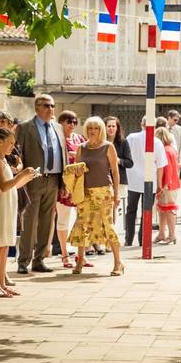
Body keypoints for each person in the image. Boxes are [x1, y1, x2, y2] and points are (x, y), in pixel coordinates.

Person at [16, 94, 67, 274]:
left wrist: (64, 182)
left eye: (52, 105)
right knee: (29, 221)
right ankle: (23, 261)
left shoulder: (58, 128)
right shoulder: (24, 128)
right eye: (46, 105)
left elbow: (63, 155)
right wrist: (20, 178)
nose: (50, 109)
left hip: (53, 180)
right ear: (37, 108)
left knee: (47, 222)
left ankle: (39, 260)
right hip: (33, 180)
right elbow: (17, 155)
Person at [0, 129, 37, 297]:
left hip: (7, 205)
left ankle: (1, 284)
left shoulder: (4, 161)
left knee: (5, 245)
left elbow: (13, 185)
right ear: (0, 142)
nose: (13, 147)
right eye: (10, 143)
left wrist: (26, 178)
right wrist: (20, 174)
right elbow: (4, 186)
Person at [70, 117, 124, 276]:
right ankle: (80, 260)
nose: (92, 131)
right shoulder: (81, 147)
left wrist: (117, 194)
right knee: (82, 225)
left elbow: (115, 172)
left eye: (96, 128)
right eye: (89, 128)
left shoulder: (108, 147)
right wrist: (76, 173)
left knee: (108, 225)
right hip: (85, 192)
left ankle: (118, 262)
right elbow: (77, 170)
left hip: (104, 192)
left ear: (101, 130)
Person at [124, 117, 168, 246]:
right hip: (150, 180)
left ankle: (128, 238)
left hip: (133, 179)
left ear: (141, 124)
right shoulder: (157, 142)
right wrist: (159, 184)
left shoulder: (131, 137)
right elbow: (160, 165)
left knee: (131, 209)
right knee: (146, 211)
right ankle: (142, 239)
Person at [54, 110, 86, 269]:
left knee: (82, 219)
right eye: (69, 121)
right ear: (61, 123)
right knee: (63, 219)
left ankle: (82, 256)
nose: (72, 125)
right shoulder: (57, 140)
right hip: (65, 184)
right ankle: (65, 255)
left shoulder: (79, 138)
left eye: (75, 122)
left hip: (79, 184)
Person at [154, 126, 181, 245]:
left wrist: (163, 184)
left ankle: (171, 235)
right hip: (171, 183)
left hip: (167, 184)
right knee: (163, 209)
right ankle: (162, 233)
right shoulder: (171, 149)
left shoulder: (165, 150)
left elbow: (166, 169)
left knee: (168, 209)